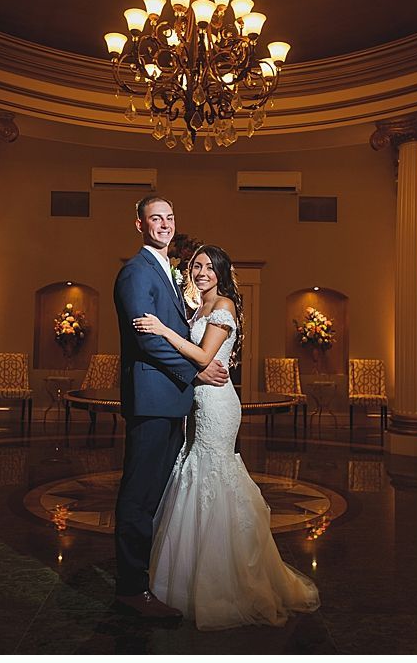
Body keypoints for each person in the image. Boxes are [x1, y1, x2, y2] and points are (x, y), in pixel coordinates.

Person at [133, 244, 320, 630]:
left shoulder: (224, 307)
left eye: (208, 267)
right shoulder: (197, 307)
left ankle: (224, 581)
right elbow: (194, 362)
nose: (201, 272)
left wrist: (162, 329)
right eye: (196, 266)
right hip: (195, 402)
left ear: (220, 272)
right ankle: (185, 575)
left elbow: (203, 358)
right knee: (191, 473)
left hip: (218, 405)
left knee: (214, 475)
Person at [113, 195, 230, 620]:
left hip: (171, 401)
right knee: (139, 494)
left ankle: (150, 576)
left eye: (169, 218)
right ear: (139, 224)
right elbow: (145, 338)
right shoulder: (135, 272)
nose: (163, 224)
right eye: (154, 218)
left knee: (159, 494)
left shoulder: (170, 272)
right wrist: (195, 373)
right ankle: (130, 588)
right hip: (151, 400)